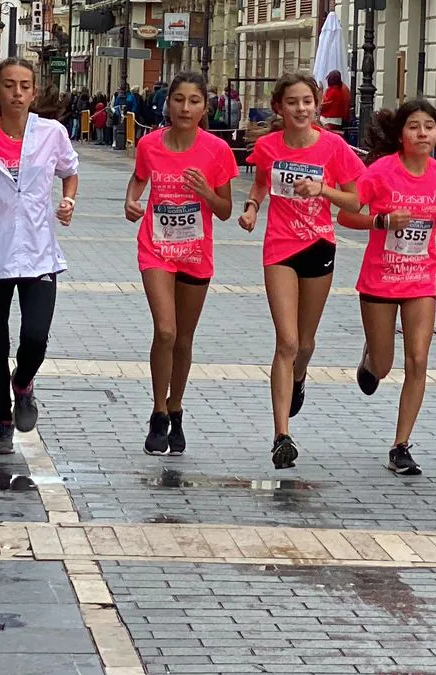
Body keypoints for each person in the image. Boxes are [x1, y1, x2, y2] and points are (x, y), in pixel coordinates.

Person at [237, 73, 364, 470]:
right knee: (286, 342)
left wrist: (323, 190)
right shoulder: (268, 147)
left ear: (317, 105)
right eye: (292, 102)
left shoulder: (333, 147)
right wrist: (253, 208)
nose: (300, 109)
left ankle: (300, 377)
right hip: (279, 248)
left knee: (305, 345)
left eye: (307, 101)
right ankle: (281, 436)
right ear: (279, 107)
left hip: (319, 246)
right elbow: (259, 184)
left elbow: (357, 200)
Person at [0, 60, 79, 455]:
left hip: (40, 254)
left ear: (34, 92)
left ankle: (23, 383)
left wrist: (68, 199)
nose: (17, 94)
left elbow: (69, 171)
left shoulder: (52, 134)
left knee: (35, 339)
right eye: (9, 86)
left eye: (25, 86)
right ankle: (2, 421)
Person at [345, 99, 436, 476]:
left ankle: (401, 445)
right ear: (401, 134)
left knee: (419, 360)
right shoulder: (380, 171)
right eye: (415, 126)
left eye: (429, 126)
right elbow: (346, 214)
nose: (423, 133)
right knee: (384, 365)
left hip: (420, 279)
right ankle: (370, 359)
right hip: (380, 278)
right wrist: (382, 221)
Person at [124, 73, 236, 457]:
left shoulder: (217, 150)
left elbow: (225, 211)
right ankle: (157, 411)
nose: (185, 108)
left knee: (184, 339)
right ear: (167, 103)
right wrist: (131, 202)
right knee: (166, 331)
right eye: (178, 100)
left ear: (205, 108)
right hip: (156, 248)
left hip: (195, 252)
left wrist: (206, 192)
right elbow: (138, 180)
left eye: (193, 101)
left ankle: (177, 406)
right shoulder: (150, 144)